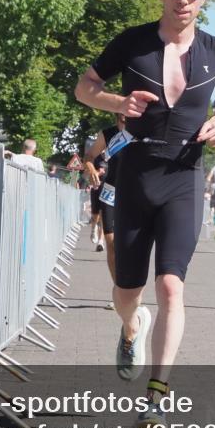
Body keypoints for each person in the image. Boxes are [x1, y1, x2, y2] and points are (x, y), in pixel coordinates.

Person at [74, 0, 215, 428]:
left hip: (185, 178)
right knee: (126, 292)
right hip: (135, 176)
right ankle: (131, 327)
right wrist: (116, 101)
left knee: (171, 284)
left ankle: (157, 393)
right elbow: (84, 87)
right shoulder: (132, 43)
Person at [84, 114, 129, 302]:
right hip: (111, 191)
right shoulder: (108, 134)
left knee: (129, 245)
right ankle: (119, 291)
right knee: (111, 243)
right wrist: (90, 167)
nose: (125, 118)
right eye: (122, 116)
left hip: (135, 193)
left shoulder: (142, 132)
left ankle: (130, 291)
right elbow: (89, 155)